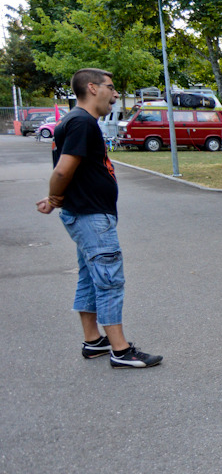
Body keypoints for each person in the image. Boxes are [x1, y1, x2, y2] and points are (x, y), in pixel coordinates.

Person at [35, 68, 162, 369]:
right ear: (92, 88)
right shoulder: (81, 122)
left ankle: (93, 341)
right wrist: (54, 198)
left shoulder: (75, 121)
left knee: (91, 277)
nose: (116, 94)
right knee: (109, 279)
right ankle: (120, 349)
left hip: (86, 212)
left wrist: (58, 198)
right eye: (111, 87)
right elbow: (63, 170)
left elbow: (70, 172)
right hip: (91, 216)